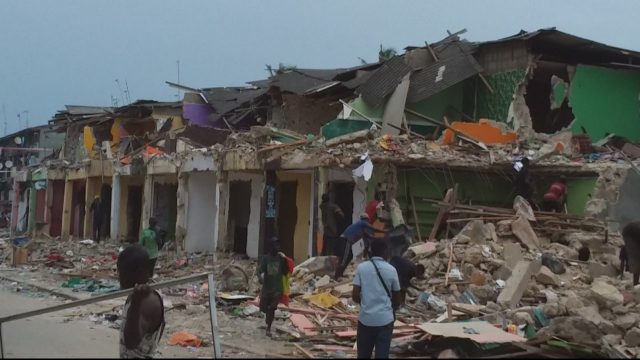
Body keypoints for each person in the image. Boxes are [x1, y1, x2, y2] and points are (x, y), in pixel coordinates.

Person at [352, 239, 400, 359]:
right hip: (385, 321)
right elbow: (397, 299)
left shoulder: (361, 268)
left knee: (363, 355)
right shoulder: (392, 270)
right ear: (385, 252)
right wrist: (390, 309)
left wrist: (366, 304)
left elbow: (355, 295)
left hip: (365, 320)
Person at [117, 244, 165, 358]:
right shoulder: (137, 294)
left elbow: (131, 342)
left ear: (136, 272)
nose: (119, 277)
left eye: (122, 272)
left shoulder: (147, 301)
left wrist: (135, 304)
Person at [334, 213, 386, 280]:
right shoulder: (362, 223)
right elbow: (373, 229)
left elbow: (369, 237)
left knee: (350, 256)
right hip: (345, 240)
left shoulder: (361, 229)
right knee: (344, 258)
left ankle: (340, 274)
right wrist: (384, 231)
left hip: (344, 240)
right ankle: (336, 276)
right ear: (367, 219)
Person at [258, 237, 288, 337]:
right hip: (267, 288)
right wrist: (261, 276)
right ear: (271, 247)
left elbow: (285, 272)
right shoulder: (266, 259)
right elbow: (261, 271)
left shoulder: (280, 258)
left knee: (272, 308)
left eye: (278, 245)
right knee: (263, 308)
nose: (278, 247)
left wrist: (285, 260)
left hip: (277, 288)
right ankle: (268, 318)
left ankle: (269, 328)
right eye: (275, 245)